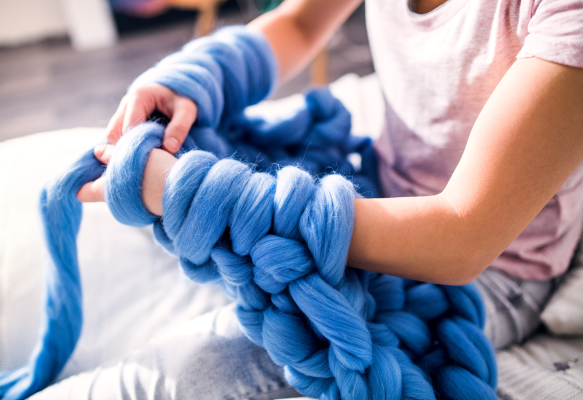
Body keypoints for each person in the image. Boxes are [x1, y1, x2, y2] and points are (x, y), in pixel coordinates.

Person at [69, 0, 583, 398]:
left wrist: (200, 193)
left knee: (194, 372)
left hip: (495, 270)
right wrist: (201, 75)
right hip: (378, 190)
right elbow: (299, 23)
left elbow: (462, 237)